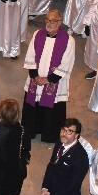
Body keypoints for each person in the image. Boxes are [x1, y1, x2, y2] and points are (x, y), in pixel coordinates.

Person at [21, 9, 76, 156]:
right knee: (32, 105)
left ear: (60, 21)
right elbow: (31, 54)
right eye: (47, 20)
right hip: (35, 80)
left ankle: (49, 134)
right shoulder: (37, 34)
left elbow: (67, 62)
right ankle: (31, 130)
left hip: (54, 82)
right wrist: (34, 75)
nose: (49, 23)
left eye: (53, 21)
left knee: (52, 109)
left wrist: (49, 79)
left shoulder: (68, 40)